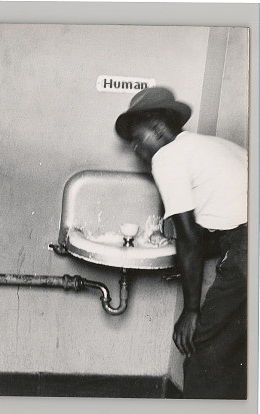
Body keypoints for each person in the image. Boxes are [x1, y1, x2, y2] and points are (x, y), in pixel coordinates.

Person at [114, 87, 248, 399]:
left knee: (206, 354)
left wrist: (190, 310)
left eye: (138, 138)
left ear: (159, 129)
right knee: (238, 354)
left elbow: (190, 240)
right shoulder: (217, 146)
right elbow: (224, 225)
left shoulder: (167, 157)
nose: (135, 148)